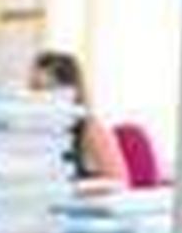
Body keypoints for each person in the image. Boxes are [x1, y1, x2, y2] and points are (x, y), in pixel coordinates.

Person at [28, 51, 128, 182]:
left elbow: (119, 181)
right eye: (33, 88)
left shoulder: (90, 128)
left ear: (71, 92)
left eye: (46, 89)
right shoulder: (31, 129)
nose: (37, 98)